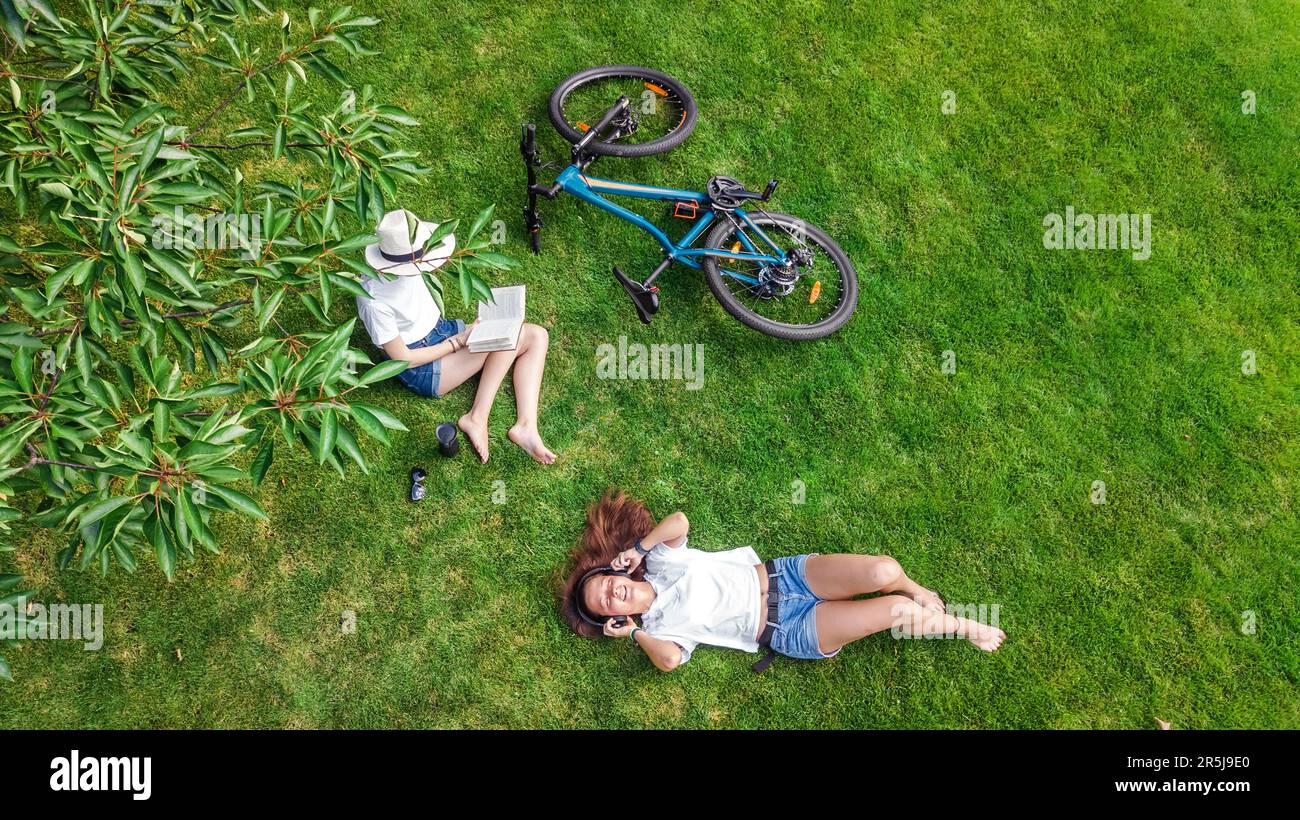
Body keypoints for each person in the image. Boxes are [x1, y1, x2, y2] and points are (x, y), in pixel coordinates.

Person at [561, 491, 1005, 671]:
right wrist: (636, 633)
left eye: (604, 585)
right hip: (786, 629)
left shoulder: (658, 561)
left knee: (884, 572)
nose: (611, 595)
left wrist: (638, 548)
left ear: (612, 572)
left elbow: (679, 520)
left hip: (785, 575)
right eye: (606, 606)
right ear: (616, 617)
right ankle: (968, 628)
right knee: (896, 613)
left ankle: (915, 587)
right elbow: (670, 662)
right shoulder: (657, 630)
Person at [355, 208, 556, 465]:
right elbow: (402, 358)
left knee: (537, 336)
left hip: (441, 329)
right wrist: (456, 343)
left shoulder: (408, 263)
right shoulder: (373, 299)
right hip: (422, 365)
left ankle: (526, 425)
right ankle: (476, 417)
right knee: (513, 335)